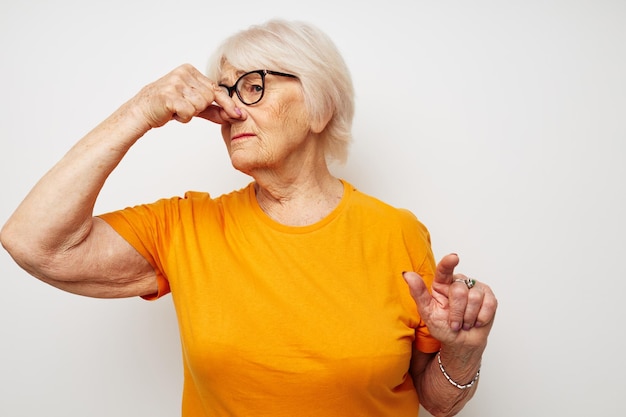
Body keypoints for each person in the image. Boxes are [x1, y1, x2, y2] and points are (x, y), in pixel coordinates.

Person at [0, 19, 497, 417]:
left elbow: (437, 400)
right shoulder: (186, 227)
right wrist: (141, 110)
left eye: (253, 87)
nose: (232, 110)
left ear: (320, 108)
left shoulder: (397, 232)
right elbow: (31, 241)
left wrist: (462, 352)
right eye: (225, 91)